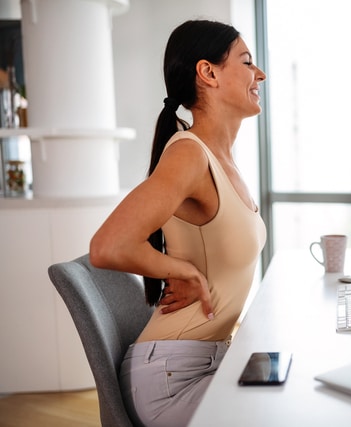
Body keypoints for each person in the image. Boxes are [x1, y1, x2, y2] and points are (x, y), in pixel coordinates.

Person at [89, 20, 267, 427]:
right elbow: (107, 246)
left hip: (203, 362)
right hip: (170, 380)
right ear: (208, 73)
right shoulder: (190, 155)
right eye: (246, 61)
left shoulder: (222, 159)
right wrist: (183, 270)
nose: (260, 74)